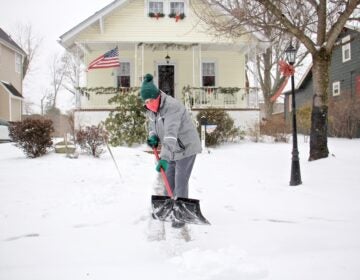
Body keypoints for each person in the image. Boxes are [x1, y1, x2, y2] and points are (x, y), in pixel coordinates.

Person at [140, 73, 202, 227]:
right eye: (145, 102)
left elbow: (170, 135)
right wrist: (153, 136)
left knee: (180, 181)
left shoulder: (172, 107)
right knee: (169, 181)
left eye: (150, 100)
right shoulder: (152, 109)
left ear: (157, 96)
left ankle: (181, 216)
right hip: (173, 149)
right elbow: (152, 126)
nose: (148, 104)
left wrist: (164, 157)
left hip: (185, 147)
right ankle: (171, 209)